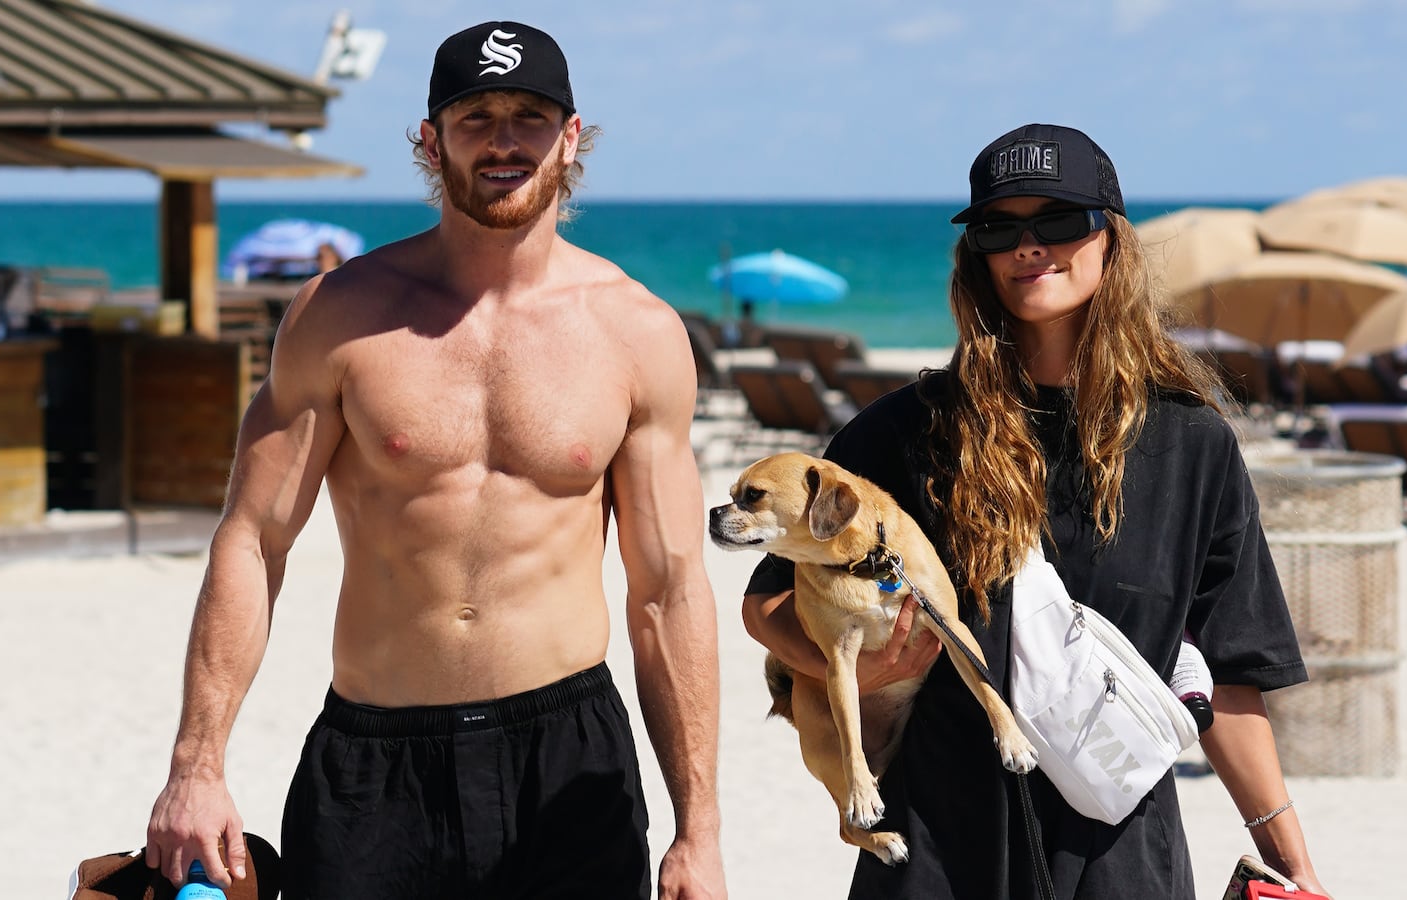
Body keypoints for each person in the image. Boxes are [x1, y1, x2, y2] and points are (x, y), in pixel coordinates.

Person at [146, 20, 726, 900]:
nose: (504, 140)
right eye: (475, 117)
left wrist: (699, 830)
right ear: (430, 140)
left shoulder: (636, 332)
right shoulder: (340, 315)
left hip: (568, 762)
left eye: (530, 116)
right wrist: (197, 765)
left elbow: (668, 590)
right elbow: (254, 541)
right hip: (376, 768)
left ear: (571, 136)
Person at [742, 123, 1330, 898]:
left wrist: (1292, 860)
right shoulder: (904, 433)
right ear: (977, 257)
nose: (1029, 246)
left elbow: (1230, 675)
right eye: (1000, 229)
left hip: (1117, 841)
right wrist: (859, 667)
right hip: (940, 844)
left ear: (1111, 240)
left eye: (1058, 221)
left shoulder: (1190, 445)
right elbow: (768, 601)